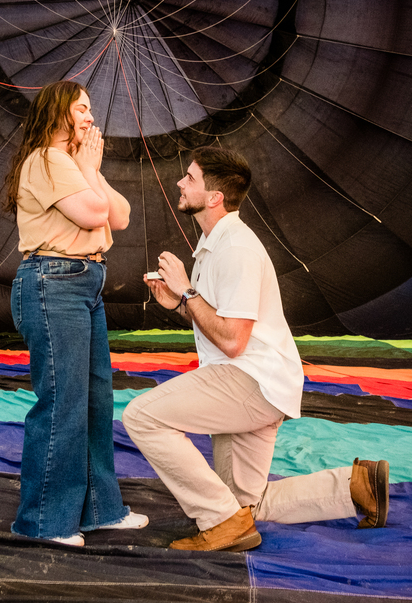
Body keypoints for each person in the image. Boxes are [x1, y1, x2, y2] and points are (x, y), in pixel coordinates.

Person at [122, 146, 388, 551]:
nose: (179, 183)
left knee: (141, 416)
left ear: (214, 197)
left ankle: (220, 522)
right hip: (258, 383)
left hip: (250, 379)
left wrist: (187, 290)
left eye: (189, 178)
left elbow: (233, 341)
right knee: (246, 505)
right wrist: (179, 303)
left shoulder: (237, 248)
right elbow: (218, 320)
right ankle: (356, 485)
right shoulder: (214, 244)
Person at [2, 80, 147, 546]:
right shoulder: (46, 159)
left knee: (95, 402)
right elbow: (91, 214)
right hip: (54, 283)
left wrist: (90, 170)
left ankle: (100, 510)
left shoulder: (74, 163)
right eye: (81, 108)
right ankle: (45, 522)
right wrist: (87, 169)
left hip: (84, 283)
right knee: (63, 404)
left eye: (89, 108)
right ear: (59, 111)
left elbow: (119, 216)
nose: (90, 116)